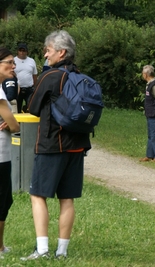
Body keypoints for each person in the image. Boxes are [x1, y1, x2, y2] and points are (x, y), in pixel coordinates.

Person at [21, 30, 91, 260]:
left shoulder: (51, 76)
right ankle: (62, 251)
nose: (45, 54)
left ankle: (42, 250)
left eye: (48, 50)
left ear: (61, 52)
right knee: (66, 198)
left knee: (37, 194)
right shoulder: (80, 76)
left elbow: (32, 106)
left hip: (52, 144)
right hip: (78, 146)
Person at [0, 48, 21, 257]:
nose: (13, 66)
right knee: (2, 200)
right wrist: (13, 124)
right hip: (0, 154)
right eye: (9, 62)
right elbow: (14, 125)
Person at [14, 43, 38, 113]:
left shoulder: (31, 61)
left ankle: (29, 123)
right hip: (17, 89)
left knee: (31, 108)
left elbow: (34, 75)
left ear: (27, 51)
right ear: (17, 51)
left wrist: (35, 87)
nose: (22, 52)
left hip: (29, 89)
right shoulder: (13, 60)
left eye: (24, 50)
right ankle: (17, 123)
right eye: (20, 50)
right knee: (17, 109)